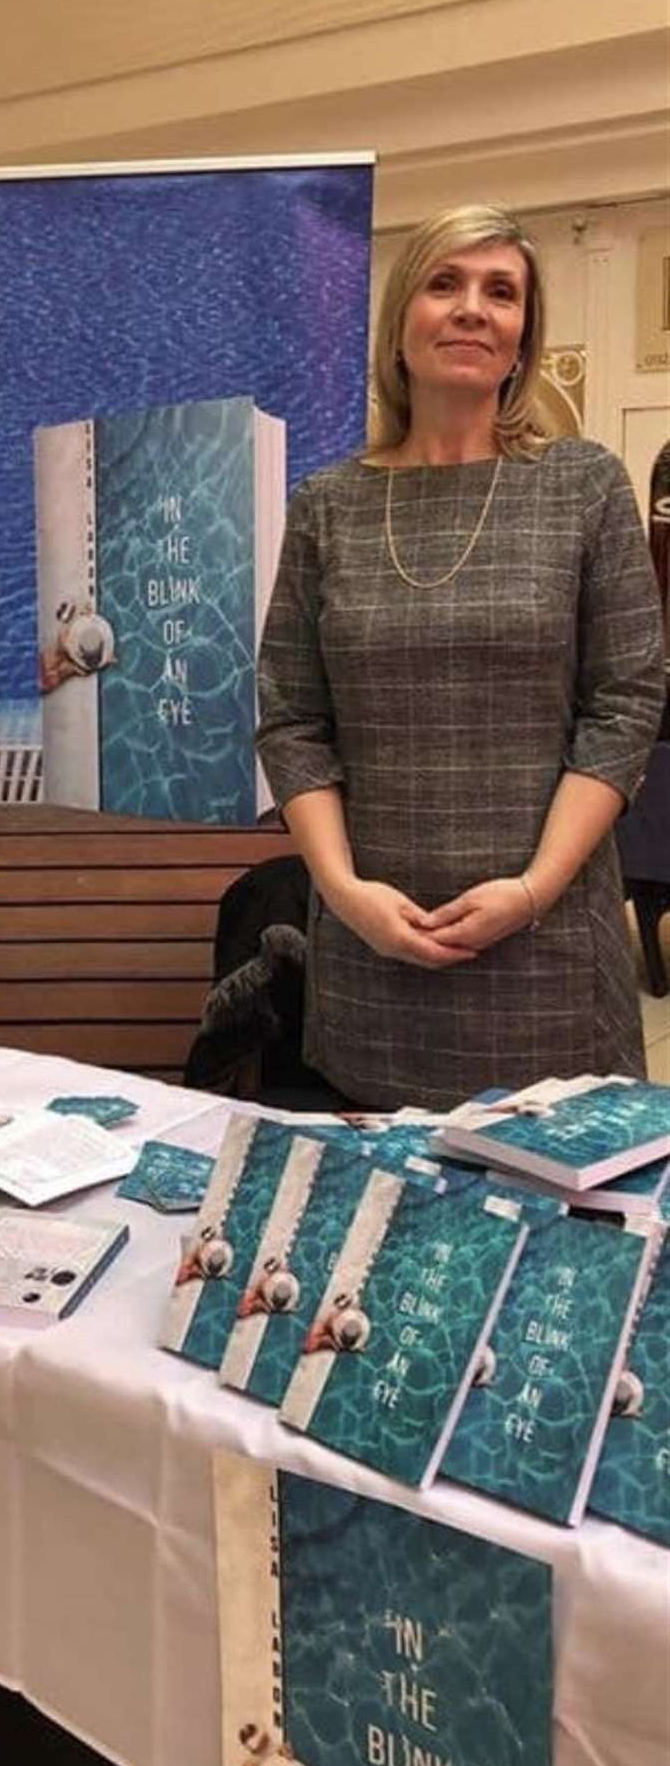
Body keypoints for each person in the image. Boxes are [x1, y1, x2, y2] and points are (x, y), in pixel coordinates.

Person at [256, 204, 665, 1112]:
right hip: (371, 949)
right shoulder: (328, 506)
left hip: (548, 949)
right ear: (400, 327)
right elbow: (290, 716)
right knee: (384, 1230)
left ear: (522, 338)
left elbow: (626, 704)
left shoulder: (581, 485)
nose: (473, 308)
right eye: (445, 284)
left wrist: (530, 891)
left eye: (501, 292)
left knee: (560, 1225)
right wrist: (342, 890)